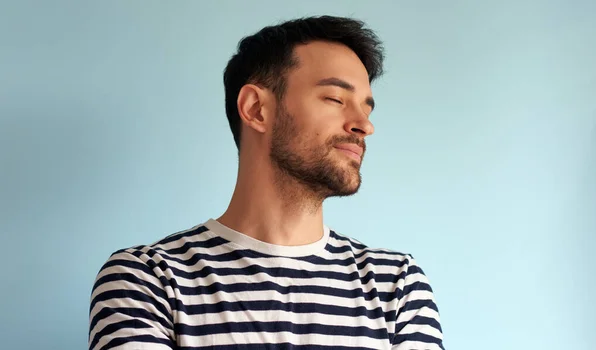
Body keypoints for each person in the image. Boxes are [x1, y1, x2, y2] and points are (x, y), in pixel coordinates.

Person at [89, 15, 444, 350]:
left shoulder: (396, 285)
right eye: (336, 99)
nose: (364, 125)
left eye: (367, 109)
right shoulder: (147, 280)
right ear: (256, 109)